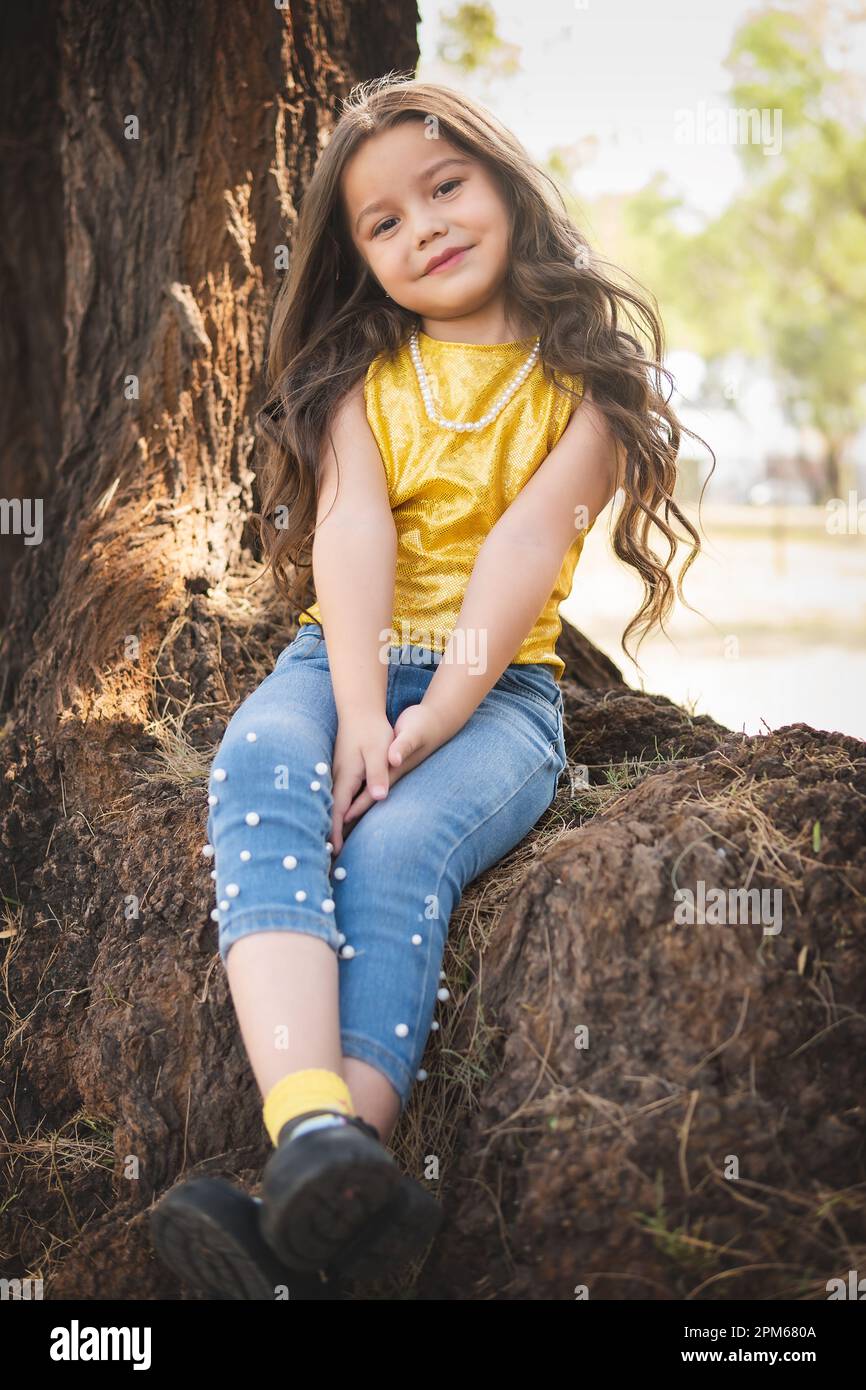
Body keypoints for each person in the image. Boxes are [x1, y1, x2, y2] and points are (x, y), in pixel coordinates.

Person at [151, 73, 713, 1297]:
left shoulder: (584, 390)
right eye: (383, 222)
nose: (425, 228)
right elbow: (351, 537)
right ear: (358, 260)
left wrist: (427, 722)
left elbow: (515, 563)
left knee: (400, 849)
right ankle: (314, 1138)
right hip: (337, 656)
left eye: (444, 188)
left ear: (504, 185)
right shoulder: (367, 371)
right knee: (259, 767)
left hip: (495, 692)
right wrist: (358, 708)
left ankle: (316, 1210)